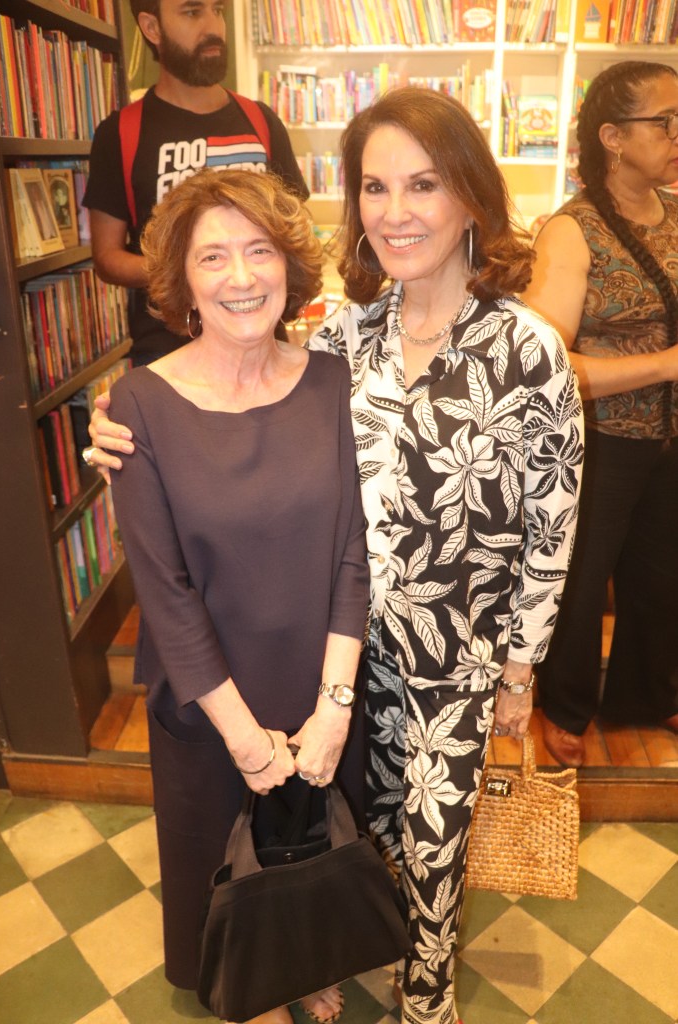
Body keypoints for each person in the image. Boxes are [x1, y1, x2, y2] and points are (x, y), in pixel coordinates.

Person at [86, 89, 584, 1024]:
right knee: (338, 843)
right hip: (341, 661)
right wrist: (118, 421)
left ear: (470, 197)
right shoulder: (343, 341)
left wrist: (519, 672)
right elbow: (240, 397)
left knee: (432, 862)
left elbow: (550, 531)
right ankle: (318, 956)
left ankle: (425, 1001)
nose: (396, 212)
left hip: (447, 671)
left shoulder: (527, 351)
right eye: (374, 188)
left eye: (423, 185)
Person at [99, 167, 369, 1024]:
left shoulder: (334, 383)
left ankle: (305, 963)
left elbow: (354, 556)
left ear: (289, 264)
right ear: (181, 281)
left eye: (259, 250)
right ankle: (248, 988)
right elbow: (165, 591)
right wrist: (245, 739)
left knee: (312, 848)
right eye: (212, 257)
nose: (241, 276)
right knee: (220, 864)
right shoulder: (138, 405)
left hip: (318, 681)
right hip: (209, 696)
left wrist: (333, 709)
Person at [521, 61, 678, 768]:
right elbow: (546, 364)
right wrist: (665, 365)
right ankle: (564, 706)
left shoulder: (674, 214)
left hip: (669, 439)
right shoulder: (570, 230)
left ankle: (646, 695)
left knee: (662, 576)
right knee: (581, 584)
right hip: (598, 443)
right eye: (664, 122)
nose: (677, 134)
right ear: (613, 137)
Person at [83, 0, 308, 366]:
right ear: (152, 28)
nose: (213, 27)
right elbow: (107, 259)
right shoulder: (120, 134)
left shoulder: (262, 122)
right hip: (167, 353)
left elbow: (296, 235)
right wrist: (191, 268)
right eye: (192, 12)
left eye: (218, 10)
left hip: (264, 347)